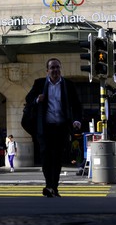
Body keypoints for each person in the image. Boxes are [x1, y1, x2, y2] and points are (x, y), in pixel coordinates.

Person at [25, 58, 82, 197]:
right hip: (45, 128)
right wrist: (38, 99)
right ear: (47, 70)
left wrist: (77, 120)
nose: (55, 70)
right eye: (52, 68)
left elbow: (77, 105)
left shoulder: (68, 85)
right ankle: (49, 185)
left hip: (61, 127)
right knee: (46, 158)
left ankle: (54, 187)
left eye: (57, 67)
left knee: (57, 158)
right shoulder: (39, 84)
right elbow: (28, 99)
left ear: (60, 69)